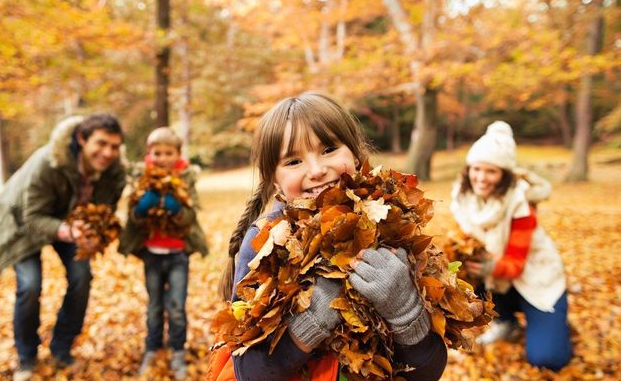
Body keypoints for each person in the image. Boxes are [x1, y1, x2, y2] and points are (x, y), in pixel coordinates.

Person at [212, 92, 447, 381]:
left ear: (355, 152)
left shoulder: (394, 224)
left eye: (328, 149)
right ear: (274, 179)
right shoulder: (263, 244)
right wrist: (310, 321)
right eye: (294, 161)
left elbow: (429, 372)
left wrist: (406, 310)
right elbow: (249, 373)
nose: (317, 170)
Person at [0, 114, 126, 381]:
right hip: (23, 224)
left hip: (70, 223)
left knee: (82, 277)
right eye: (101, 144)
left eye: (114, 146)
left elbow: (106, 210)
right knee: (30, 285)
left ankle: (61, 348)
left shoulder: (114, 171)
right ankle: (26, 357)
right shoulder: (48, 162)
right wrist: (68, 231)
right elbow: (31, 216)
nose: (107, 152)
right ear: (81, 139)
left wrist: (95, 234)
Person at [450, 121, 572, 371]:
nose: (481, 178)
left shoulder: (520, 203)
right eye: (476, 169)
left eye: (491, 171)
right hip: (498, 277)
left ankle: (554, 320)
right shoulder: (464, 199)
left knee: (548, 359)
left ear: (504, 175)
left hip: (535, 277)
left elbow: (516, 264)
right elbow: (467, 243)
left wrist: (488, 267)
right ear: (468, 169)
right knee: (468, 263)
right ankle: (506, 322)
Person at [118, 127, 208, 379]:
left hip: (178, 254)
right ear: (149, 153)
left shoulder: (186, 179)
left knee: (177, 307)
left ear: (178, 154)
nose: (162, 158)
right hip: (152, 255)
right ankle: (152, 349)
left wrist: (176, 210)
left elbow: (191, 216)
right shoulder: (141, 179)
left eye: (168, 153)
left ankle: (177, 351)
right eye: (157, 153)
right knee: (155, 306)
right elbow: (133, 218)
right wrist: (141, 209)